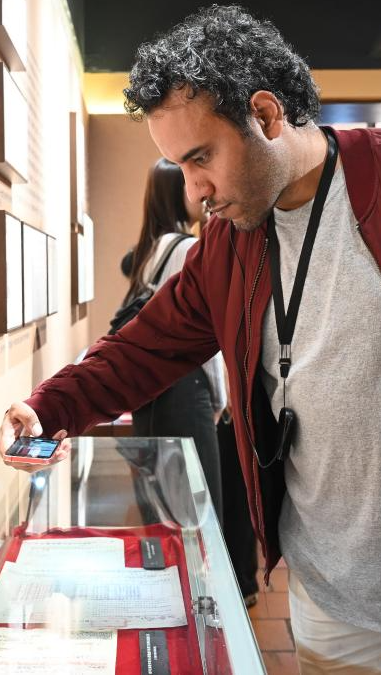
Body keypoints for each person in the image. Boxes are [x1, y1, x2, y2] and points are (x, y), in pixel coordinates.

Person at [0, 5, 381, 674]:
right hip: (326, 585)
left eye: (201, 157)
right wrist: (50, 407)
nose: (195, 190)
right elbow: (146, 345)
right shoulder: (229, 242)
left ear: (267, 115)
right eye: (179, 166)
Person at [123, 158, 227, 519]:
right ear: (173, 192)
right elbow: (201, 335)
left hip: (153, 389)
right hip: (186, 390)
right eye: (188, 181)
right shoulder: (184, 248)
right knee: (198, 509)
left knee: (164, 504)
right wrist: (219, 396)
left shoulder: (152, 248)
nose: (200, 191)